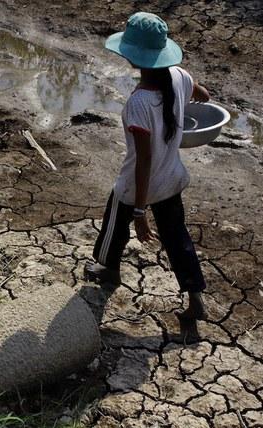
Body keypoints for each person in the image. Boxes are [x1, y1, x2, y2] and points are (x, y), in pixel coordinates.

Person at [84, 12, 210, 343]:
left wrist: (140, 211)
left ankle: (108, 268)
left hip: (136, 186)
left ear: (132, 56)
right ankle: (196, 295)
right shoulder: (180, 77)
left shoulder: (139, 102)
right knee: (176, 237)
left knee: (115, 223)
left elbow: (143, 160)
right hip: (171, 179)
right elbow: (204, 95)